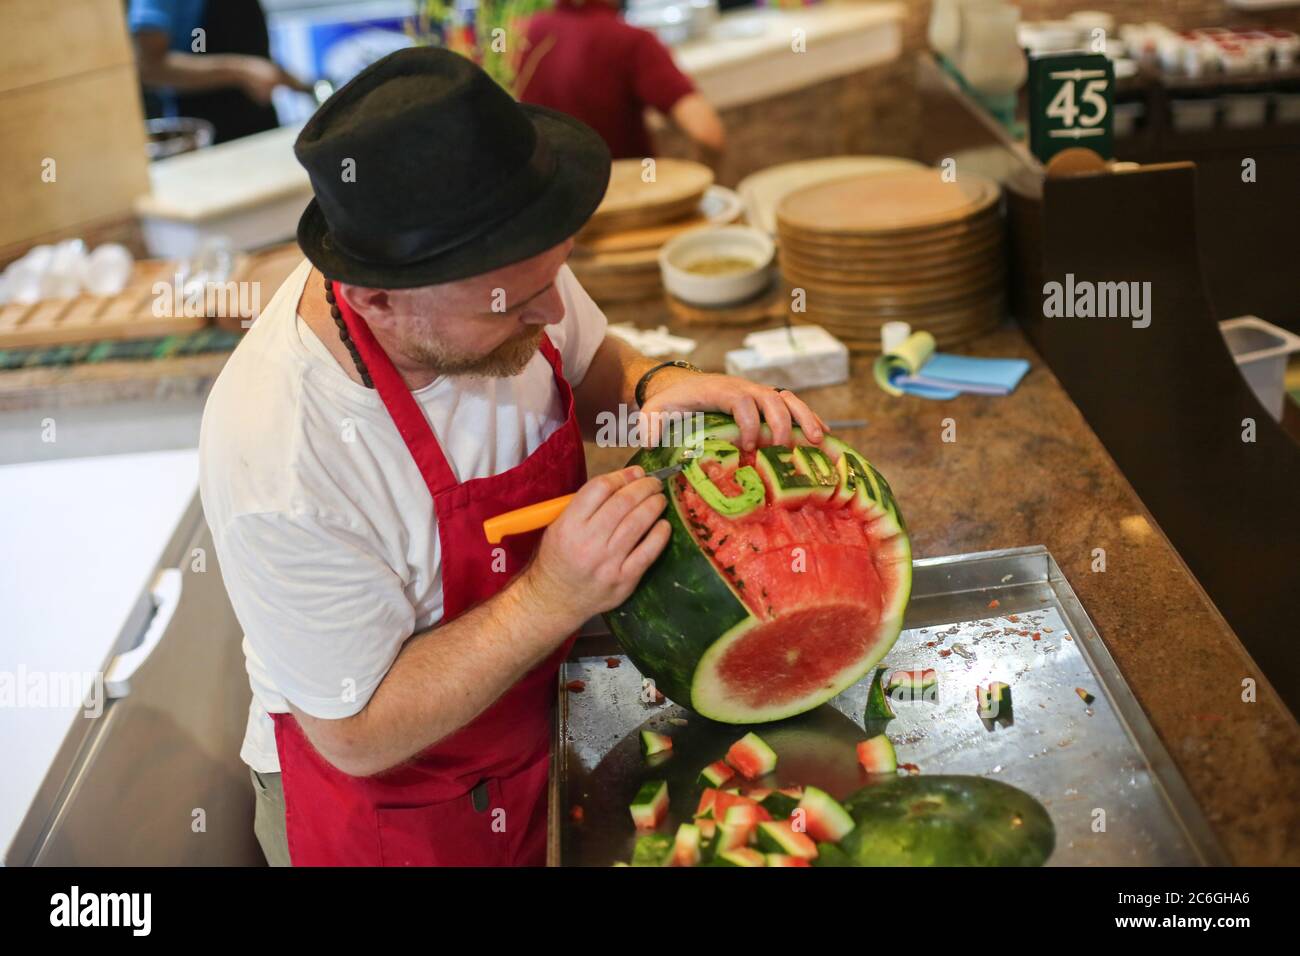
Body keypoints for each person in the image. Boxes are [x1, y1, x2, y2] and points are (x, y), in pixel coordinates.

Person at [199, 47, 825, 866]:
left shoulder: (506, 270)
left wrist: (654, 385)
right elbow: (353, 731)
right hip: (399, 807)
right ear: (377, 297)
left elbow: (592, 361)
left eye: (556, 273)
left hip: (541, 725)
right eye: (514, 301)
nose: (551, 309)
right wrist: (550, 599)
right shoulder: (281, 456)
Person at [517, 0, 725, 161]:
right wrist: (696, 189)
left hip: (552, 211)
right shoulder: (631, 41)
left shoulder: (519, 34)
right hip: (629, 205)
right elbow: (708, 135)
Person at [129, 0, 309, 143]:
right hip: (205, 135)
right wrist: (241, 71)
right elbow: (149, 67)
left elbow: (248, 50)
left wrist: (303, 86)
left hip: (261, 128)